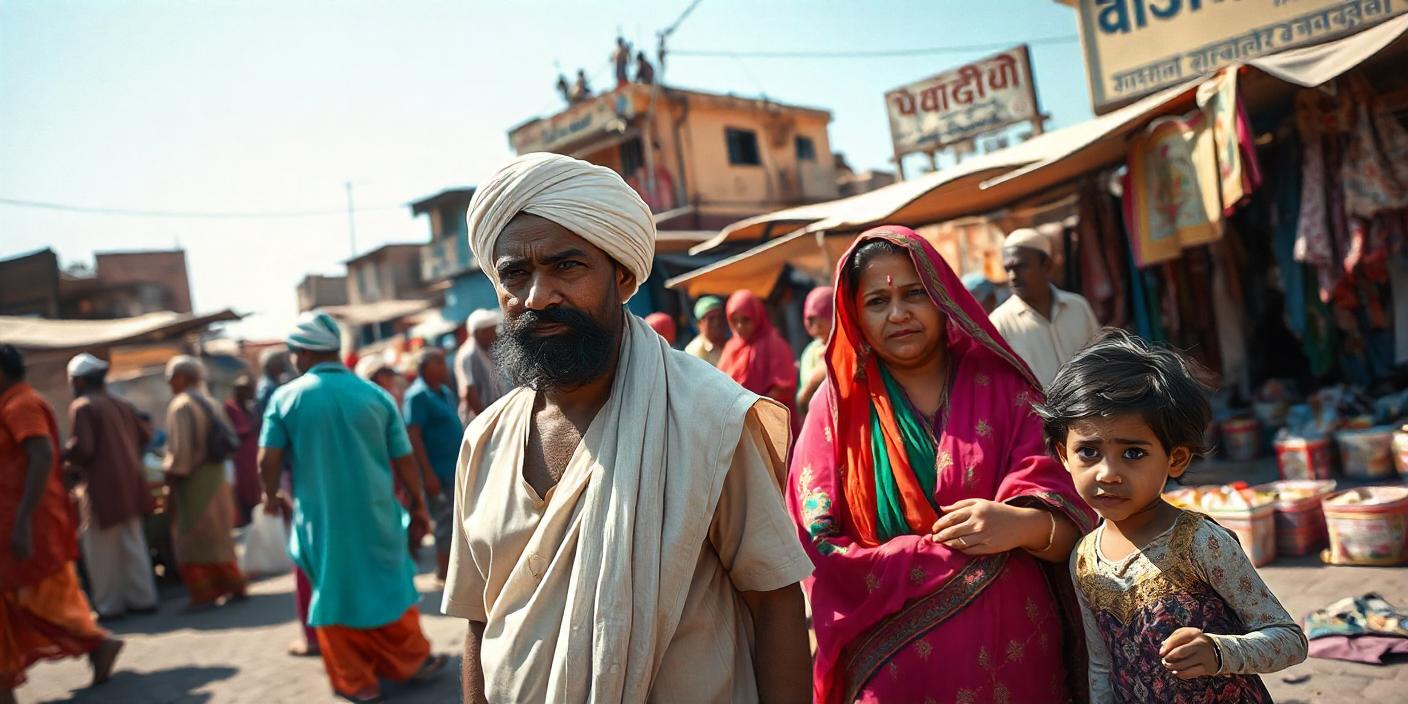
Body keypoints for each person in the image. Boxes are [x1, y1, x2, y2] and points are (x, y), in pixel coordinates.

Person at [445, 152, 812, 703]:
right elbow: (480, 620)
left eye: (567, 266)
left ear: (622, 275)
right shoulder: (485, 441)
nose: (538, 295)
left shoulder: (706, 417)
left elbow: (776, 600)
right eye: (515, 274)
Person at [787, 227, 1096, 703]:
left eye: (914, 293)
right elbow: (816, 542)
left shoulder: (1002, 384)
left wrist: (1018, 523)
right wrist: (929, 559)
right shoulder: (837, 410)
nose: (899, 313)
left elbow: (1068, 509)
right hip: (894, 674)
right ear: (854, 314)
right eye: (877, 302)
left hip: (1021, 663)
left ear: (941, 295)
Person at [1036, 330, 1308, 703]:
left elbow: (1289, 640)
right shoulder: (1084, 560)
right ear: (1063, 455)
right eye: (1088, 452)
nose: (1107, 473)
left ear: (1175, 459)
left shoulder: (1201, 542)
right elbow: (1102, 666)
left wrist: (1218, 652)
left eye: (1132, 453)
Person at [259, 311, 445, 703]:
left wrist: (270, 494)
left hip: (322, 522)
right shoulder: (374, 396)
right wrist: (418, 505)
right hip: (378, 514)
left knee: (334, 591)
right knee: (389, 584)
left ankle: (357, 681)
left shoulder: (286, 397)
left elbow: (267, 459)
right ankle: (410, 660)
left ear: (301, 353)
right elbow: (404, 458)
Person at [1, 345, 124, 701]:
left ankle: (97, 643)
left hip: (30, 524)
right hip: (21, 521)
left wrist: (23, 520)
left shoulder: (20, 405)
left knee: (37, 601)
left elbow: (42, 454)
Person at [63, 353, 158, 619]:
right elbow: (145, 435)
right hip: (131, 485)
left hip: (101, 490)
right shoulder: (122, 404)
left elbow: (84, 449)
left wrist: (65, 455)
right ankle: (143, 599)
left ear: (80, 381)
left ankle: (110, 606)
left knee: (101, 552)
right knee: (133, 544)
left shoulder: (83, 407)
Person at [163, 356, 247, 610]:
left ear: (181, 377)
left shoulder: (181, 405)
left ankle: (204, 593)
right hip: (217, 477)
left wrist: (171, 480)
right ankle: (232, 584)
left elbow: (181, 454)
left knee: (192, 537)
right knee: (220, 536)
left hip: (195, 481)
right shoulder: (210, 402)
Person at [990, 227, 1101, 388]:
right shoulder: (999, 323)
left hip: (1090, 409)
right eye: (1008, 269)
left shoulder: (1078, 306)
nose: (1012, 276)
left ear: (1047, 266)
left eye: (1020, 266)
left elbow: (1099, 357)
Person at [402, 347, 464, 583]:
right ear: (425, 367)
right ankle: (444, 572)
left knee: (457, 519)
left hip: (454, 465)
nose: (443, 366)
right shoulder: (417, 396)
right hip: (437, 471)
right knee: (444, 521)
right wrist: (427, 474)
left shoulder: (444, 391)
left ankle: (455, 572)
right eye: (437, 362)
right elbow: (414, 436)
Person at [719, 290, 797, 417]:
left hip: (770, 422)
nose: (739, 326)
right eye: (734, 320)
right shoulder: (731, 347)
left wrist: (754, 410)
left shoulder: (774, 344)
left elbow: (784, 388)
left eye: (745, 320)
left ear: (757, 316)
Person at [454, 309, 506, 425]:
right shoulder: (469, 354)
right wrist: (485, 421)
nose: (496, 334)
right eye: (492, 330)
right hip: (482, 420)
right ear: (481, 332)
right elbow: (468, 391)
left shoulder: (485, 350)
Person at [224, 375, 262, 526]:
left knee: (255, 488)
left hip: (253, 456)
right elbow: (237, 430)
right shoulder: (230, 407)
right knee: (243, 490)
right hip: (240, 458)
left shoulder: (249, 407)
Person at [796, 286, 833, 411]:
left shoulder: (847, 346)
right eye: (808, 318)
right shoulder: (811, 350)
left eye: (818, 316)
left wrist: (808, 389)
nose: (811, 323)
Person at [684, 295, 728, 367]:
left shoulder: (733, 344)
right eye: (711, 318)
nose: (717, 322)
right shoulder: (693, 352)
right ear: (699, 324)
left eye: (720, 317)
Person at [253, 347, 294, 420]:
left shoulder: (276, 382)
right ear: (271, 365)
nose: (283, 364)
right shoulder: (266, 388)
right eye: (279, 362)